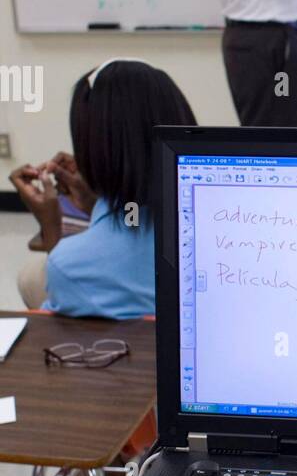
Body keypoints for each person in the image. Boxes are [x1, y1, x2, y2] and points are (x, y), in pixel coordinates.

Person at [9, 59, 196, 318]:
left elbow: (59, 318)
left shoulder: (71, 264)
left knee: (31, 276)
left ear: (91, 151)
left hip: (125, 341)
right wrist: (95, 203)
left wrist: (51, 227)